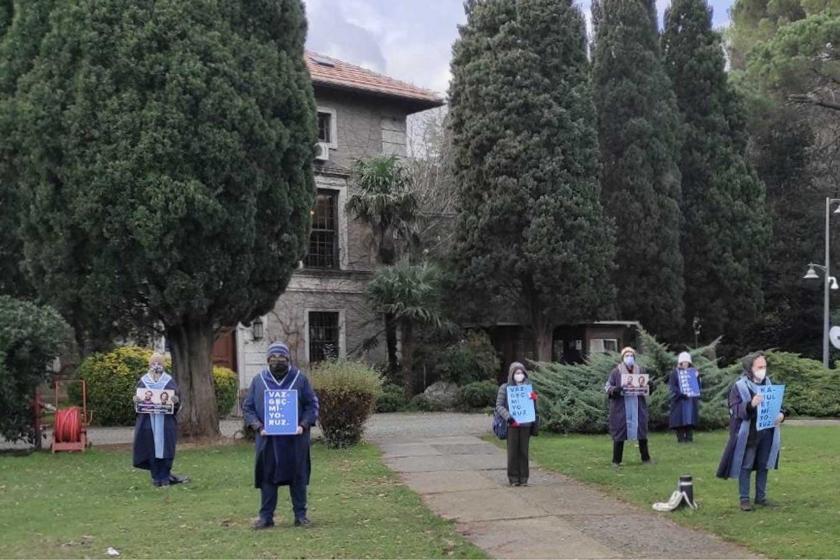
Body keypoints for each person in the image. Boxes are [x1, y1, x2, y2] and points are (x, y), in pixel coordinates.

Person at [243, 342, 319, 529]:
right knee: (267, 478)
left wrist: (303, 425)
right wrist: (258, 426)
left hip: (295, 439)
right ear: (268, 359)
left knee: (298, 477)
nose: (278, 361)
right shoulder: (259, 380)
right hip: (268, 439)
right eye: (274, 358)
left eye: (282, 357)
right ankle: (266, 517)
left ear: (288, 358)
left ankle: (300, 516)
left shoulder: (300, 379)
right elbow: (248, 408)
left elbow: (312, 405)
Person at [716, 352, 785, 511]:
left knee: (763, 465)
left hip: (767, 432)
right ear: (750, 368)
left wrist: (781, 415)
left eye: (764, 366)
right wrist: (750, 404)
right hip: (749, 434)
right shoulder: (739, 386)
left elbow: (778, 405)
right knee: (746, 465)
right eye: (759, 367)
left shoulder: (768, 383)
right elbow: (734, 410)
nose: (763, 370)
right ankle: (744, 500)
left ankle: (761, 498)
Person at [132, 353, 189, 487]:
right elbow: (139, 403)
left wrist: (175, 401)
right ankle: (156, 477)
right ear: (149, 365)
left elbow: (176, 402)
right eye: (154, 363)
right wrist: (136, 400)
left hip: (165, 422)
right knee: (151, 448)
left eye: (159, 363)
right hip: (148, 422)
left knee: (166, 449)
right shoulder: (144, 381)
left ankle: (165, 476)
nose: (156, 366)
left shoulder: (169, 381)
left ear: (163, 365)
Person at [605, 347, 652, 467]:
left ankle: (646, 458)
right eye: (627, 356)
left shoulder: (640, 370)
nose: (629, 358)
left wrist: (650, 385)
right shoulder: (616, 372)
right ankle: (616, 460)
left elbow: (646, 385)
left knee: (641, 432)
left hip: (638, 406)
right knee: (620, 433)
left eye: (631, 355)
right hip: (621, 407)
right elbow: (608, 386)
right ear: (622, 358)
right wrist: (615, 390)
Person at [495, 362, 538, 486]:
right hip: (512, 425)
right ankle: (513, 478)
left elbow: (533, 408)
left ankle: (524, 478)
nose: (519, 375)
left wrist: (534, 399)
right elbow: (499, 406)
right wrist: (509, 418)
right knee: (513, 452)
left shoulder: (528, 387)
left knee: (524, 452)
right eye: (517, 373)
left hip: (526, 424)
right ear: (512, 374)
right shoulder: (505, 388)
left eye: (521, 373)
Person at [668, 351, 701, 442]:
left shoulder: (693, 372)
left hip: (690, 400)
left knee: (690, 419)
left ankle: (689, 437)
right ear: (680, 362)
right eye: (684, 362)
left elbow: (697, 385)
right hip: (679, 400)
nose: (685, 364)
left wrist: (697, 377)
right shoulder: (675, 373)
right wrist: (681, 394)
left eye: (687, 362)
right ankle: (681, 437)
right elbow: (673, 386)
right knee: (680, 419)